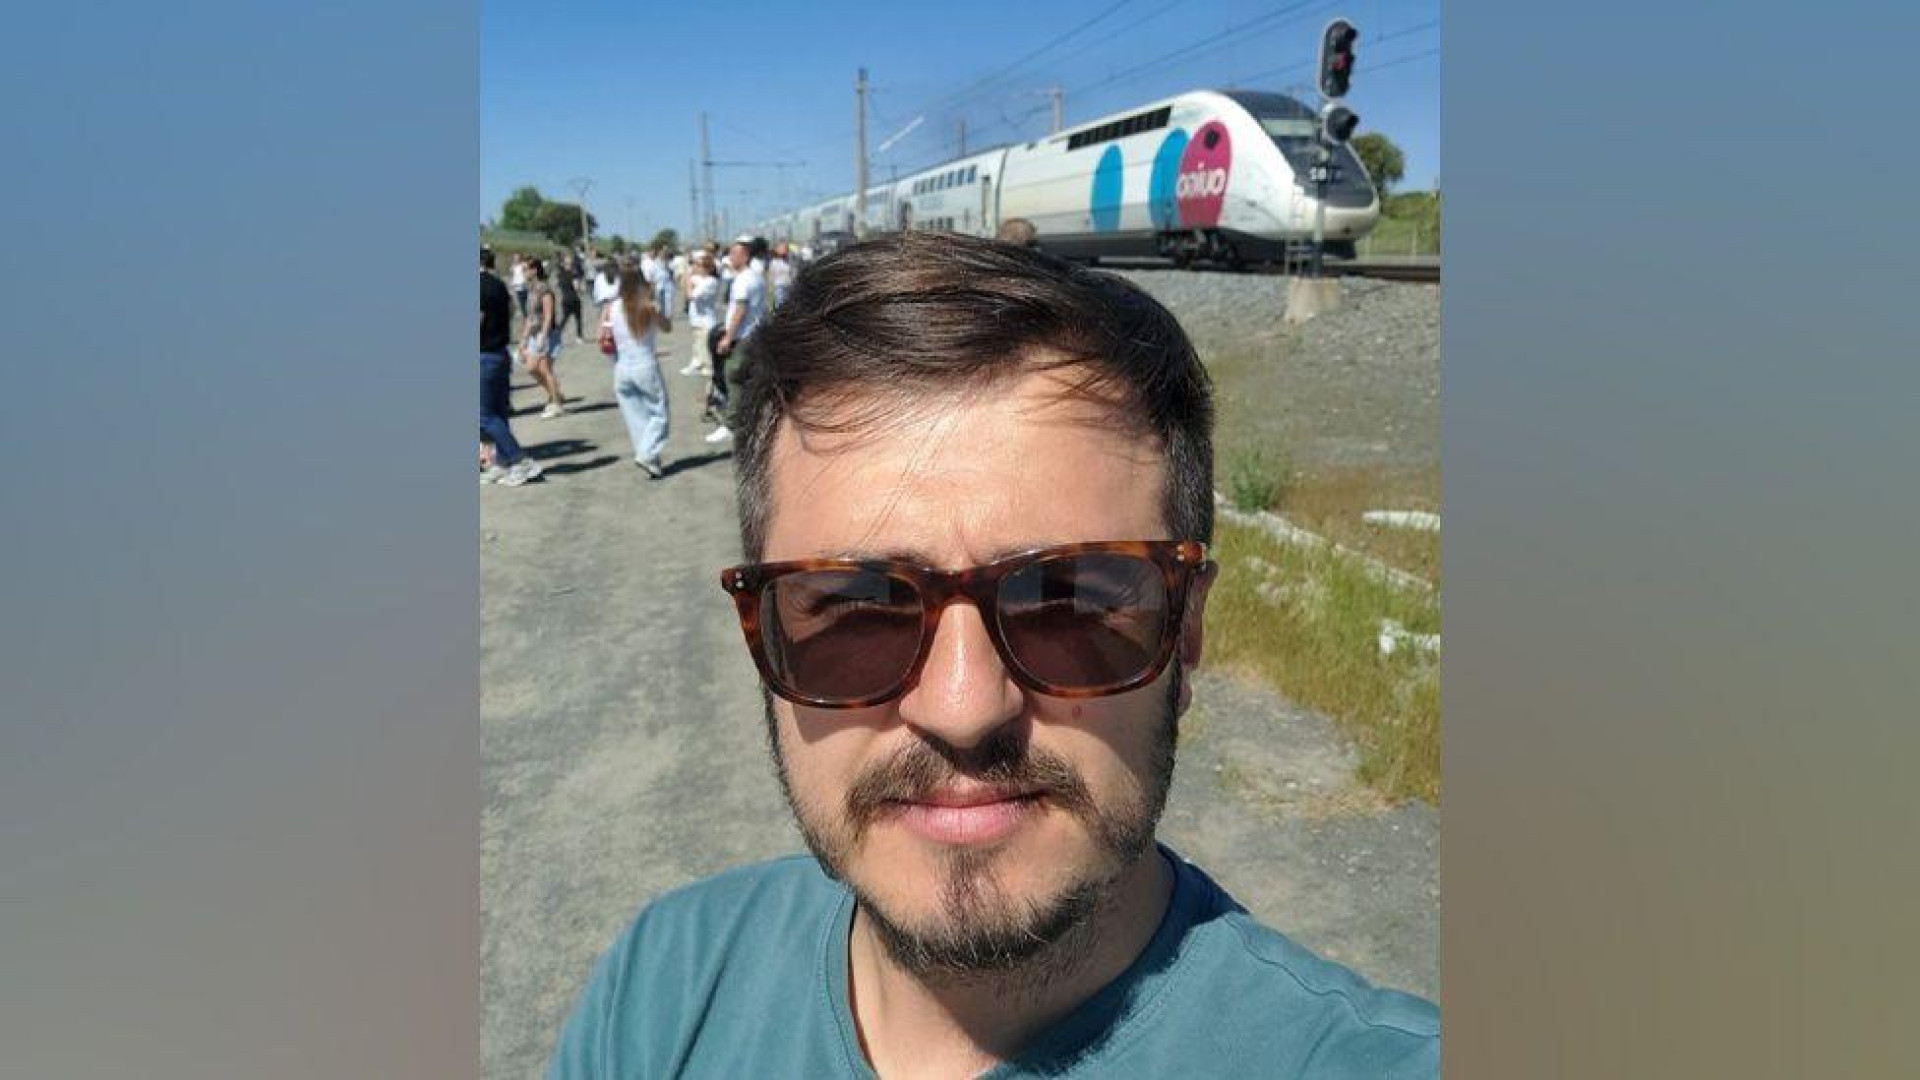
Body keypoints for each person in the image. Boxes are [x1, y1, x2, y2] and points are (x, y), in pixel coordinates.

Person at [548, 232, 1438, 1078]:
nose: (964, 707)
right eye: (857, 610)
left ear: (1188, 630)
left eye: (1067, 602)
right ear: (764, 634)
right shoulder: (663, 984)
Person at [478, 249, 543, 486]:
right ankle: (503, 462)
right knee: (498, 412)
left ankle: (520, 460)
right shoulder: (499, 285)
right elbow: (513, 311)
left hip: (483, 355)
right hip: (500, 353)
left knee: (483, 415)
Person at [604, 265, 673, 479]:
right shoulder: (647, 305)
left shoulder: (613, 306)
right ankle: (647, 454)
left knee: (636, 417)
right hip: (645, 364)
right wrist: (656, 308)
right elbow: (667, 327)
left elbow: (606, 333)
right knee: (659, 414)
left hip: (622, 366)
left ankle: (651, 461)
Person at [701, 238, 765, 445]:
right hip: (754, 333)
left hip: (743, 336)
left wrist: (728, 337)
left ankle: (731, 425)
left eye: (733, 254)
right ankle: (752, 419)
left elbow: (740, 309)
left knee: (733, 375)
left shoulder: (743, 280)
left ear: (744, 256)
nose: (730, 258)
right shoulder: (754, 277)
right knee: (748, 377)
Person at [520, 259, 566, 419]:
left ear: (534, 270)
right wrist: (523, 339)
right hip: (534, 334)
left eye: (525, 269)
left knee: (545, 368)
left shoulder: (544, 289)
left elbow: (548, 315)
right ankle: (555, 394)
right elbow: (530, 317)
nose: (523, 272)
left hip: (547, 333)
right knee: (531, 368)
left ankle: (556, 404)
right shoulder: (531, 289)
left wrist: (543, 336)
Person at [679, 250, 720, 377]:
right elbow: (683, 284)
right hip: (697, 321)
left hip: (705, 323)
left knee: (706, 355)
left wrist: (688, 278)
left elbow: (690, 295)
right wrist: (687, 275)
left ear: (707, 268)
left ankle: (710, 378)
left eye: (698, 265)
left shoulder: (710, 282)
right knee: (698, 347)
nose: (695, 267)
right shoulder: (699, 278)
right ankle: (696, 365)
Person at [556, 251, 586, 343]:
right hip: (574, 299)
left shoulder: (560, 275)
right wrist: (582, 290)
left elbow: (559, 286)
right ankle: (579, 337)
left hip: (565, 299)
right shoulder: (573, 275)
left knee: (564, 319)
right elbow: (576, 287)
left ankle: (556, 334)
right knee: (578, 319)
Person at [510, 253, 529, 319]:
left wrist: (526, 282)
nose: (516, 259)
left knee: (525, 302)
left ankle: (526, 316)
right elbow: (513, 276)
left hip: (523, 285)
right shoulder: (513, 266)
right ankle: (525, 316)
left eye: (517, 257)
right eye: (515, 257)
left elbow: (527, 274)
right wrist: (512, 284)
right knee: (521, 303)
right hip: (516, 286)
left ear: (520, 257)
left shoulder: (524, 264)